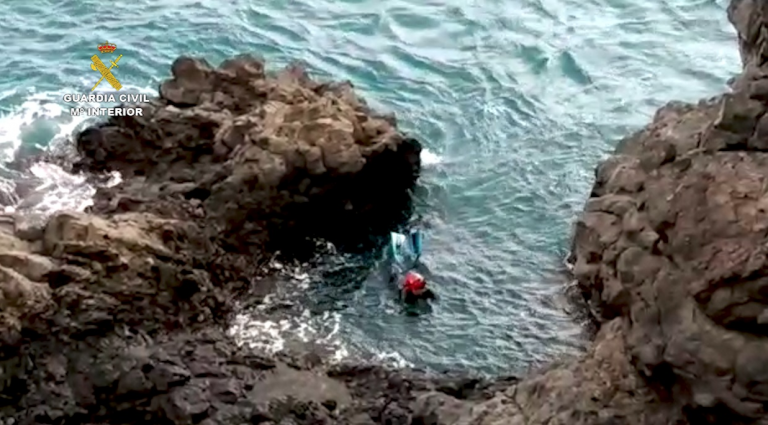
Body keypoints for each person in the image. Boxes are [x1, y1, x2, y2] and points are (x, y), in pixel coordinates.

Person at [388, 229, 435, 303]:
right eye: (420, 288)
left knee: (412, 258)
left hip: (407, 270)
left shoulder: (425, 291)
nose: (423, 289)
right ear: (412, 289)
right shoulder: (403, 292)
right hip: (399, 273)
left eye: (422, 287)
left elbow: (434, 298)